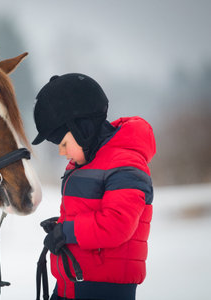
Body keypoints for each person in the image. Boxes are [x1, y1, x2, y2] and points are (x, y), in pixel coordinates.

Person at [32, 73, 156, 300]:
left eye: (63, 143)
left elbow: (118, 224)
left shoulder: (126, 163)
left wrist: (67, 231)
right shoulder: (86, 162)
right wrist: (61, 227)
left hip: (103, 289)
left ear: (83, 129)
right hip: (71, 284)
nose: (61, 152)